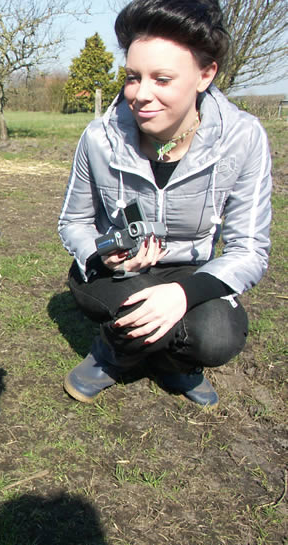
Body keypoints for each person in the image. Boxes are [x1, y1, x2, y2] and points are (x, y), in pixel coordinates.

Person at [58, 0, 272, 407]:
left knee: (217, 337)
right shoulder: (98, 139)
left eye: (162, 79)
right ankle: (113, 353)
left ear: (204, 75)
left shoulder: (244, 138)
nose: (141, 95)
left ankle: (173, 362)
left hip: (193, 267)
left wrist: (183, 293)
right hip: (117, 271)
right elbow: (74, 222)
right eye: (133, 78)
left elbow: (250, 250)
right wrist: (105, 257)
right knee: (131, 305)